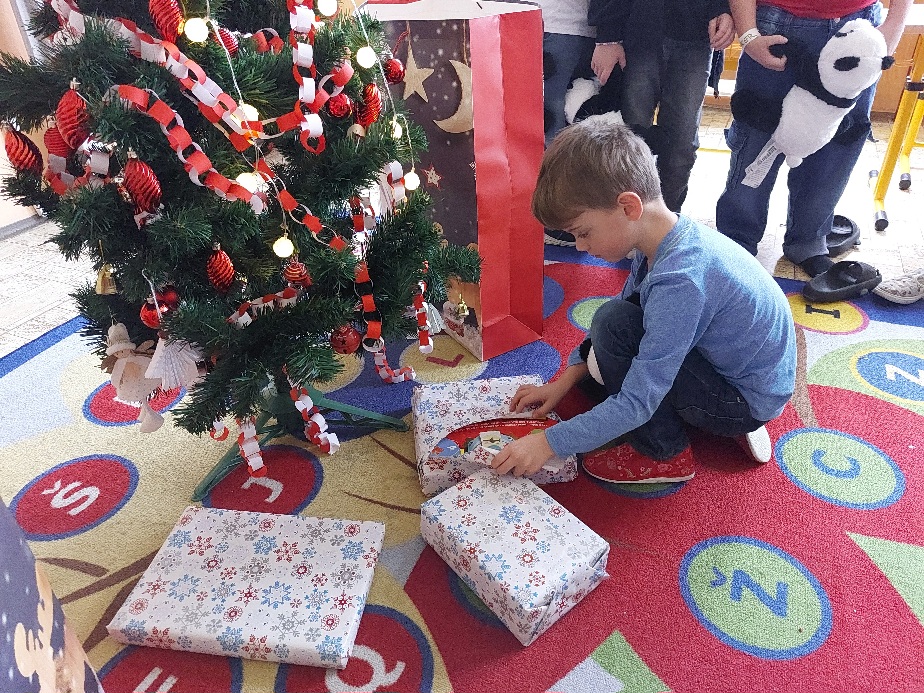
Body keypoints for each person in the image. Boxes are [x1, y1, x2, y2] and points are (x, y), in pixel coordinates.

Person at [491, 114, 796, 483]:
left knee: (614, 331)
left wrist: (549, 443)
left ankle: (665, 452)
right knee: (613, 321)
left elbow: (639, 401)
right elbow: (628, 310)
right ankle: (670, 410)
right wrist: (564, 381)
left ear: (628, 207)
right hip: (728, 365)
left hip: (741, 402)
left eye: (583, 232)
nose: (581, 246)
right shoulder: (659, 239)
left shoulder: (681, 280)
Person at [715, 0, 913, 279]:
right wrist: (748, 33)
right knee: (756, 135)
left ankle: (808, 240)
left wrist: (895, 24)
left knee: (838, 142)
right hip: (776, 22)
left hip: (859, 25)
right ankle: (736, 241)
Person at [588, 0, 736, 213]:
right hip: (637, 30)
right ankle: (624, 220)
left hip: (697, 33)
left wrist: (722, 9)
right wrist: (607, 36)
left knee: (681, 148)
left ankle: (667, 221)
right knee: (627, 142)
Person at [537, 0, 598, 247]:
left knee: (556, 130)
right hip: (577, 26)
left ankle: (562, 221)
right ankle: (569, 220)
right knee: (569, 127)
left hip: (558, 23)